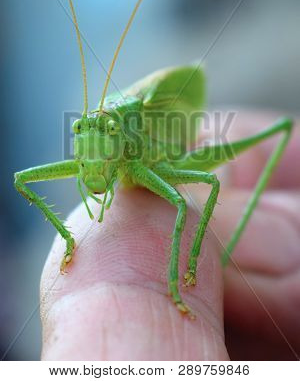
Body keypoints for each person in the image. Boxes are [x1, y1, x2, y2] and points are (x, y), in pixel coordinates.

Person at [40, 112, 300, 360]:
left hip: (162, 159)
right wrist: (69, 241)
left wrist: (188, 267)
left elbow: (181, 199)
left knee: (200, 188)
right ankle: (70, 242)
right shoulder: (102, 134)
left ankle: (185, 274)